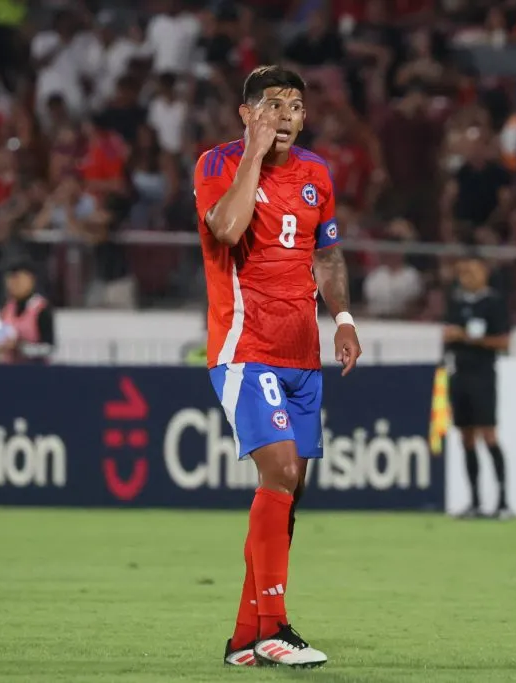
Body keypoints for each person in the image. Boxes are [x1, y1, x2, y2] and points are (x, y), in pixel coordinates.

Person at [193, 65, 362, 669]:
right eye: (272, 105)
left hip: (302, 353)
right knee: (282, 470)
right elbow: (226, 227)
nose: (286, 114)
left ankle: (245, 636)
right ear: (246, 114)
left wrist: (341, 319)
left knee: (289, 491)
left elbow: (329, 253)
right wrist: (254, 157)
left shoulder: (317, 173)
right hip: (245, 345)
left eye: (295, 105)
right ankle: (275, 628)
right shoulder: (217, 164)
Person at [443, 254, 512, 519]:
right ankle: (474, 502)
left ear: (483, 273)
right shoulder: (456, 301)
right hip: (458, 374)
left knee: (489, 435)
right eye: (462, 273)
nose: (466, 277)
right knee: (466, 437)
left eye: (471, 272)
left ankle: (503, 502)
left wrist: (469, 338)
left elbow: (503, 342)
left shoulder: (494, 303)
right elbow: (448, 335)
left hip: (483, 375)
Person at [0, 256, 56, 364]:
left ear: (30, 280)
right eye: (10, 279)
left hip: (34, 371)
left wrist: (20, 347)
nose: (13, 284)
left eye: (18, 279)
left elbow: (49, 348)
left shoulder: (41, 308)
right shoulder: (6, 308)